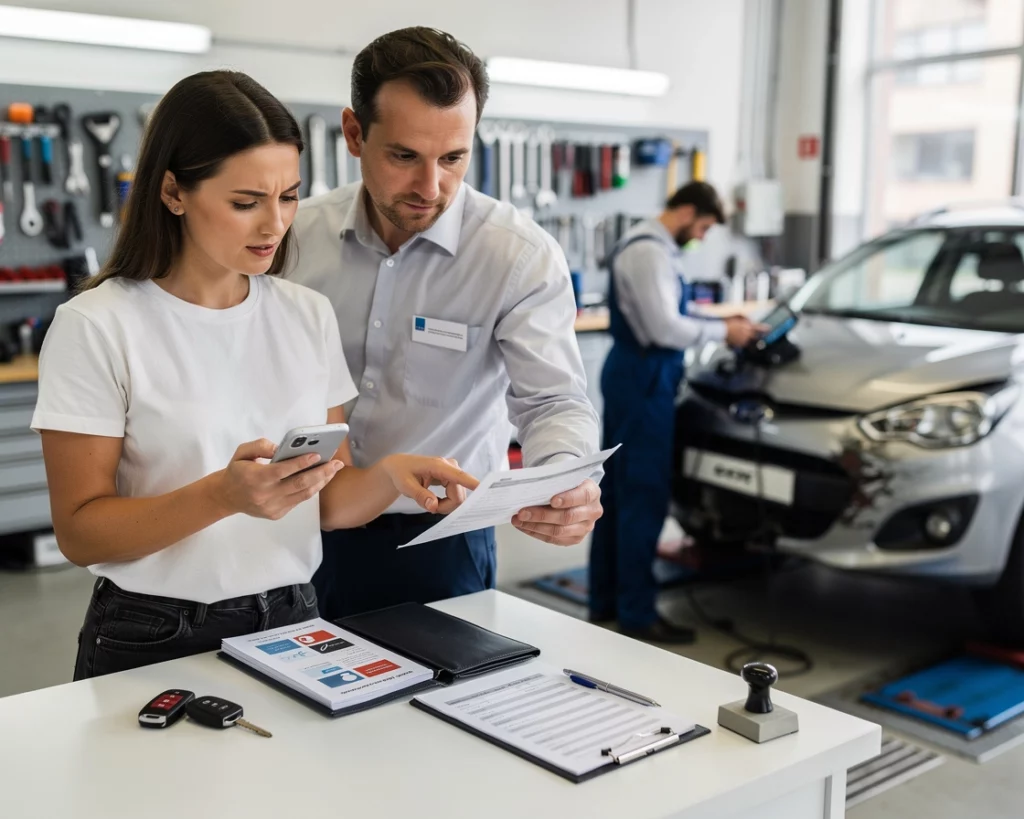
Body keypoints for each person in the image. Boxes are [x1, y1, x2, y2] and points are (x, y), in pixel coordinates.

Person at [31, 70, 477, 681]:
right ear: (172, 192)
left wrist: (392, 478)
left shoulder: (305, 314)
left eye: (288, 196)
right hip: (153, 632)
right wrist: (221, 496)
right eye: (246, 203)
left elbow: (321, 501)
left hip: (296, 621)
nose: (275, 225)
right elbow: (80, 533)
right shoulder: (98, 325)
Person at [287, 27, 602, 621]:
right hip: (289, 529)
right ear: (354, 134)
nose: (430, 188)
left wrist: (562, 480)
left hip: (436, 544)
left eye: (453, 158)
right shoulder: (293, 239)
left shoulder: (517, 256)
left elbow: (554, 402)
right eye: (404, 156)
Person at [588, 182, 764, 643]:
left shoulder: (653, 248)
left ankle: (607, 602)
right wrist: (726, 332)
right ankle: (638, 615)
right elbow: (665, 328)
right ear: (685, 210)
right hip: (644, 379)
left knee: (621, 495)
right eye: (703, 226)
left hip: (638, 375)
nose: (702, 236)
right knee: (641, 496)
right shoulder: (649, 252)